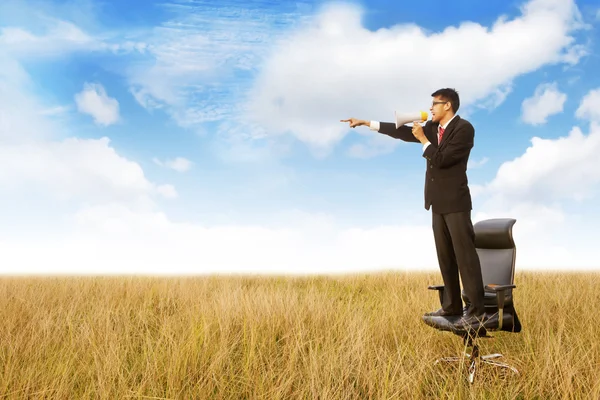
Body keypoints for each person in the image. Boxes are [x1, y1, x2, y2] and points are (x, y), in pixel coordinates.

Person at [341, 88, 486, 330]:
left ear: (448, 106)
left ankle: (476, 310)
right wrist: (367, 122)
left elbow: (443, 160)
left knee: (465, 256)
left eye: (435, 104)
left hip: (457, 203)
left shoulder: (463, 129)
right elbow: (399, 132)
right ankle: (451, 306)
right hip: (437, 203)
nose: (431, 108)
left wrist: (423, 140)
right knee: (445, 256)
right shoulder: (432, 128)